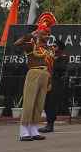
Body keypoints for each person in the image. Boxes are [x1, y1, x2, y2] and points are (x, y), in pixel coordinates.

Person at [12, 12, 57, 141]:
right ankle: (23, 130)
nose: (47, 36)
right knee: (29, 102)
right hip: (34, 73)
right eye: (44, 33)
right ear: (38, 33)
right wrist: (30, 35)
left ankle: (33, 128)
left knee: (39, 103)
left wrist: (50, 80)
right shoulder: (32, 45)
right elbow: (17, 44)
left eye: (48, 34)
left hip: (45, 75)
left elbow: (51, 66)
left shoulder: (49, 49)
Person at [38, 41, 67, 134]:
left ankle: (50, 124)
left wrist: (54, 60)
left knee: (52, 103)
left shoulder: (63, 56)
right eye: (52, 45)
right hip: (48, 81)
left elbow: (61, 68)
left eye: (55, 46)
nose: (52, 47)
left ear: (59, 47)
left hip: (56, 82)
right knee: (46, 102)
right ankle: (48, 123)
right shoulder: (50, 56)